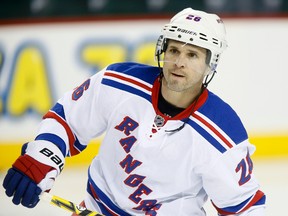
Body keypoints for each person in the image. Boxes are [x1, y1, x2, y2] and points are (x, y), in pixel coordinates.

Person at [2, 7, 266, 215]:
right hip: (95, 210)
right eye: (174, 49)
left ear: (211, 64)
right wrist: (42, 157)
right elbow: (67, 120)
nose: (179, 62)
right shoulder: (118, 82)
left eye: (193, 55)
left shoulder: (223, 135)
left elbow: (245, 208)